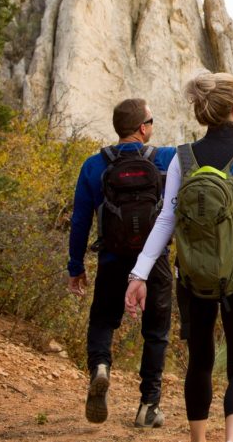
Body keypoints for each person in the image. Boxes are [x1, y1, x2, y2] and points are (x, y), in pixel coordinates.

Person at [125, 72, 233, 442]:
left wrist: (138, 274)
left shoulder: (182, 158)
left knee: (200, 363)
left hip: (192, 274)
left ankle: (198, 441)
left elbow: (166, 220)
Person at [67, 98, 175, 428]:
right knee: (155, 332)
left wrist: (76, 265)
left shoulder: (93, 165)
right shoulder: (166, 158)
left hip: (113, 257)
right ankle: (148, 405)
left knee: (103, 320)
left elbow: (81, 219)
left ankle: (101, 366)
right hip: (153, 260)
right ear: (143, 128)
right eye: (151, 120)